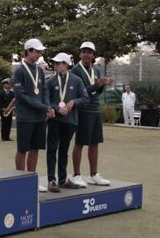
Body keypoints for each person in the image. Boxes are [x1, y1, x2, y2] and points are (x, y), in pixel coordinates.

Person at [13, 38, 54, 193]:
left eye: (40, 52)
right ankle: (19, 180)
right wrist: (43, 107)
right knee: (23, 148)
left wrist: (48, 106)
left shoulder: (39, 70)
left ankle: (31, 180)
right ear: (29, 51)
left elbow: (44, 91)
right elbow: (21, 96)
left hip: (39, 117)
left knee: (35, 148)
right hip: (25, 116)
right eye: (37, 51)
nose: (39, 54)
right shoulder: (20, 71)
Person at [71, 41, 114, 187]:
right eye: (84, 51)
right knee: (80, 142)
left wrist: (103, 84)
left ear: (93, 55)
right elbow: (81, 92)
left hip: (95, 108)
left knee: (95, 142)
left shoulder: (96, 69)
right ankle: (76, 175)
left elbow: (97, 91)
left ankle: (93, 174)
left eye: (89, 52)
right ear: (80, 54)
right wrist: (97, 85)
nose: (86, 54)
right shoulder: (75, 70)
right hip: (83, 109)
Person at [45, 53, 89, 192]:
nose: (55, 66)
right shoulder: (51, 81)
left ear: (66, 64)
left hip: (70, 121)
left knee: (64, 150)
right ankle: (52, 180)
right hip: (55, 120)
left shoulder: (77, 81)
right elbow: (46, 100)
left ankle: (63, 179)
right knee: (52, 149)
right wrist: (58, 108)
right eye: (55, 63)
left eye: (58, 63)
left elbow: (85, 99)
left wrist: (72, 103)